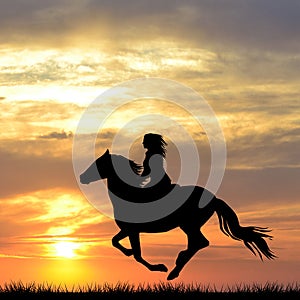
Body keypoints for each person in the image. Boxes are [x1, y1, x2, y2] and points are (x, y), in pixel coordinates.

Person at [140, 133, 173, 200]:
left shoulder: (153, 154)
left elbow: (148, 170)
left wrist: (138, 180)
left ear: (150, 142)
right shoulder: (150, 153)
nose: (142, 143)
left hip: (159, 183)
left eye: (145, 141)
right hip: (158, 181)